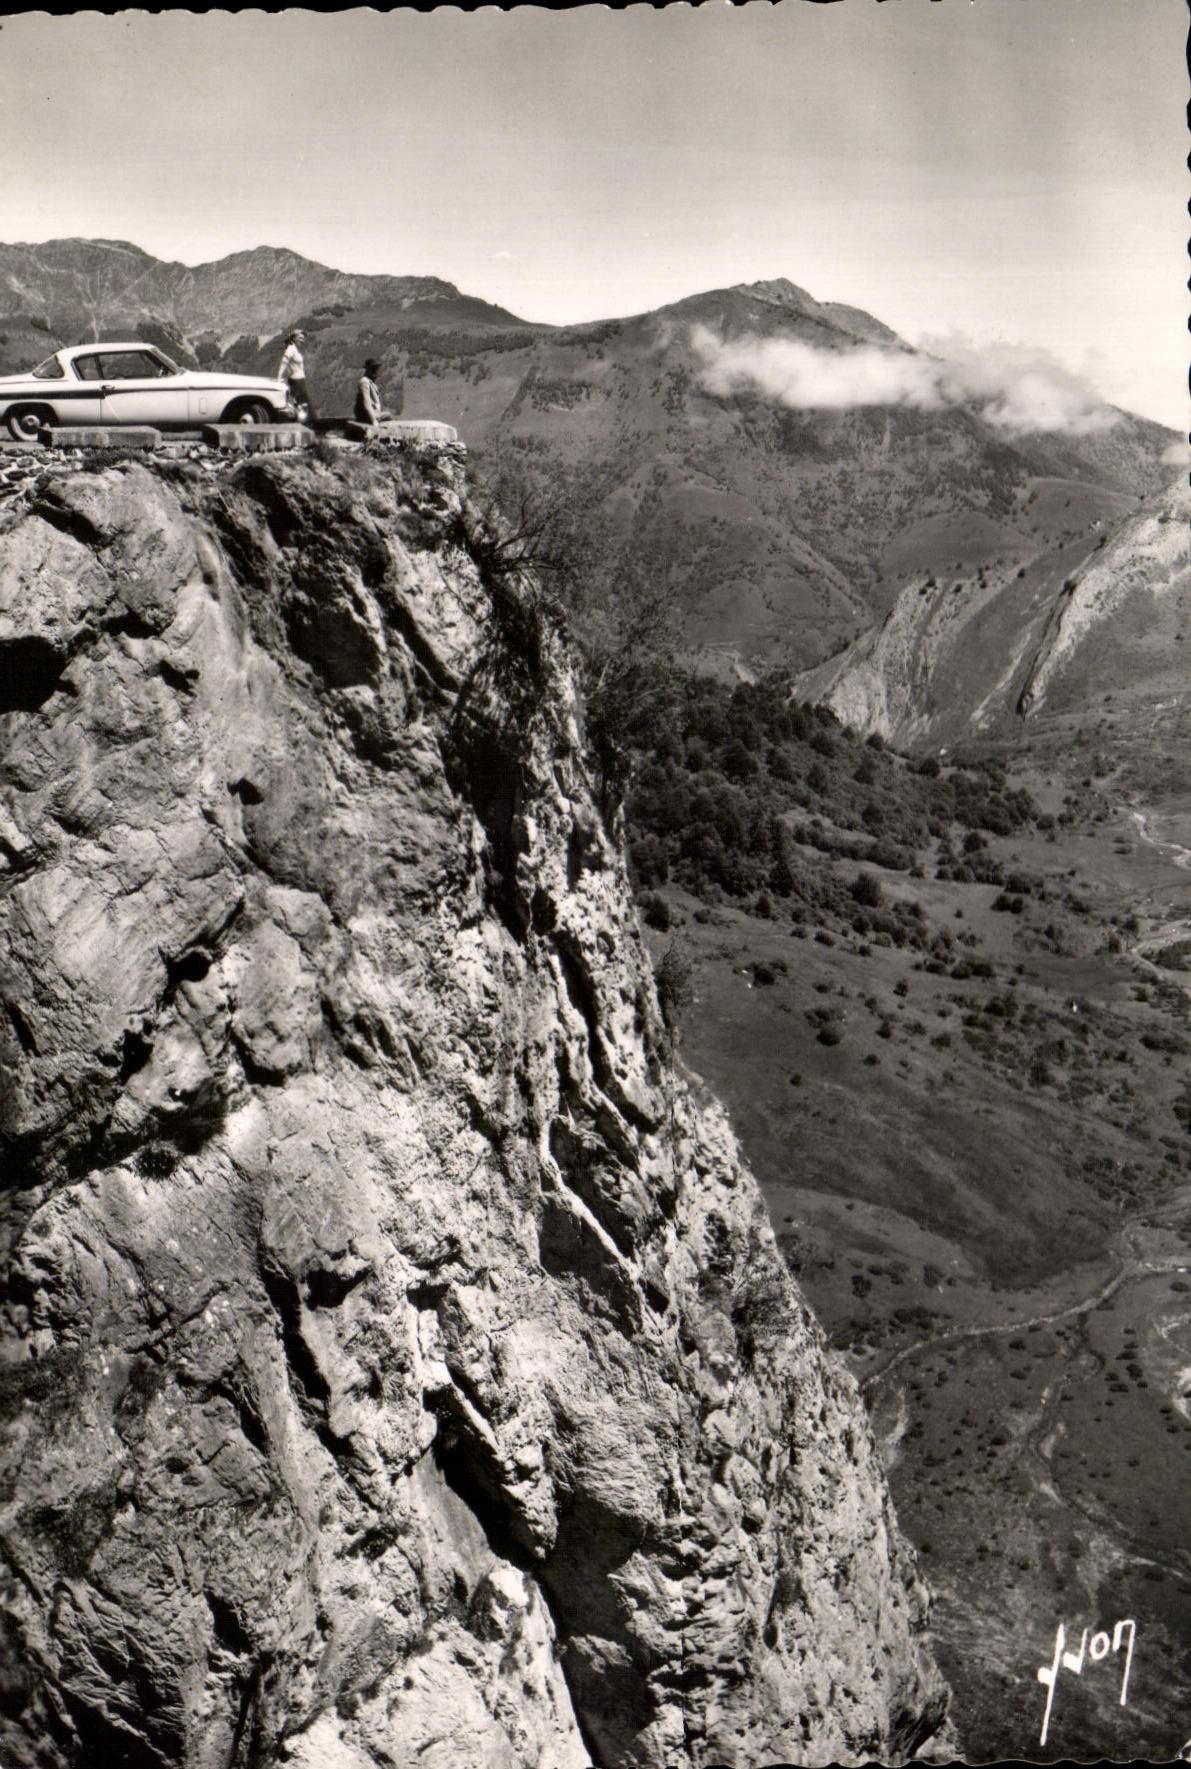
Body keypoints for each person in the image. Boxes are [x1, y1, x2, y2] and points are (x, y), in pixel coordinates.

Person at [277, 329, 315, 424]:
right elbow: (283, 364)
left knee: (301, 405)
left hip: (299, 381)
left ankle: (303, 423)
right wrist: (278, 378)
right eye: (300, 338)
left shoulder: (294, 349)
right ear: (294, 338)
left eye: (303, 338)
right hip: (297, 382)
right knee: (302, 405)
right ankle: (305, 424)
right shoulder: (290, 350)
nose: (302, 340)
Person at [354, 357, 402, 426]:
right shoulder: (364, 382)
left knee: (387, 415)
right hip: (365, 415)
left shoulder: (371, 384)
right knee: (388, 415)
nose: (375, 372)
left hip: (370, 413)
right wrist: (373, 420)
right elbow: (366, 402)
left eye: (375, 369)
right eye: (373, 369)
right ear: (368, 370)